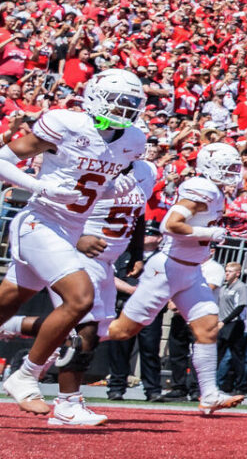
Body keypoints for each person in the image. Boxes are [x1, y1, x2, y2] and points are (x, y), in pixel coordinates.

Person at [0, 69, 152, 418]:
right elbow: (3, 159)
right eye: (119, 101)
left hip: (69, 229)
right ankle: (26, 376)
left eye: (132, 102)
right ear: (96, 97)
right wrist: (40, 186)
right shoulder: (66, 124)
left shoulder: (132, 140)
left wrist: (112, 189)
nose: (125, 108)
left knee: (6, 304)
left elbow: (93, 183)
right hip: (40, 222)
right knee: (81, 299)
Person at [103, 140, 247, 415]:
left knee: (208, 328)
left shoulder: (215, 190)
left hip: (190, 271)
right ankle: (64, 338)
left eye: (234, 168)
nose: (232, 173)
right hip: (168, 269)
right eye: (227, 167)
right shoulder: (203, 188)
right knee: (122, 331)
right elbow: (169, 224)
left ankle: (209, 394)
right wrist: (208, 234)